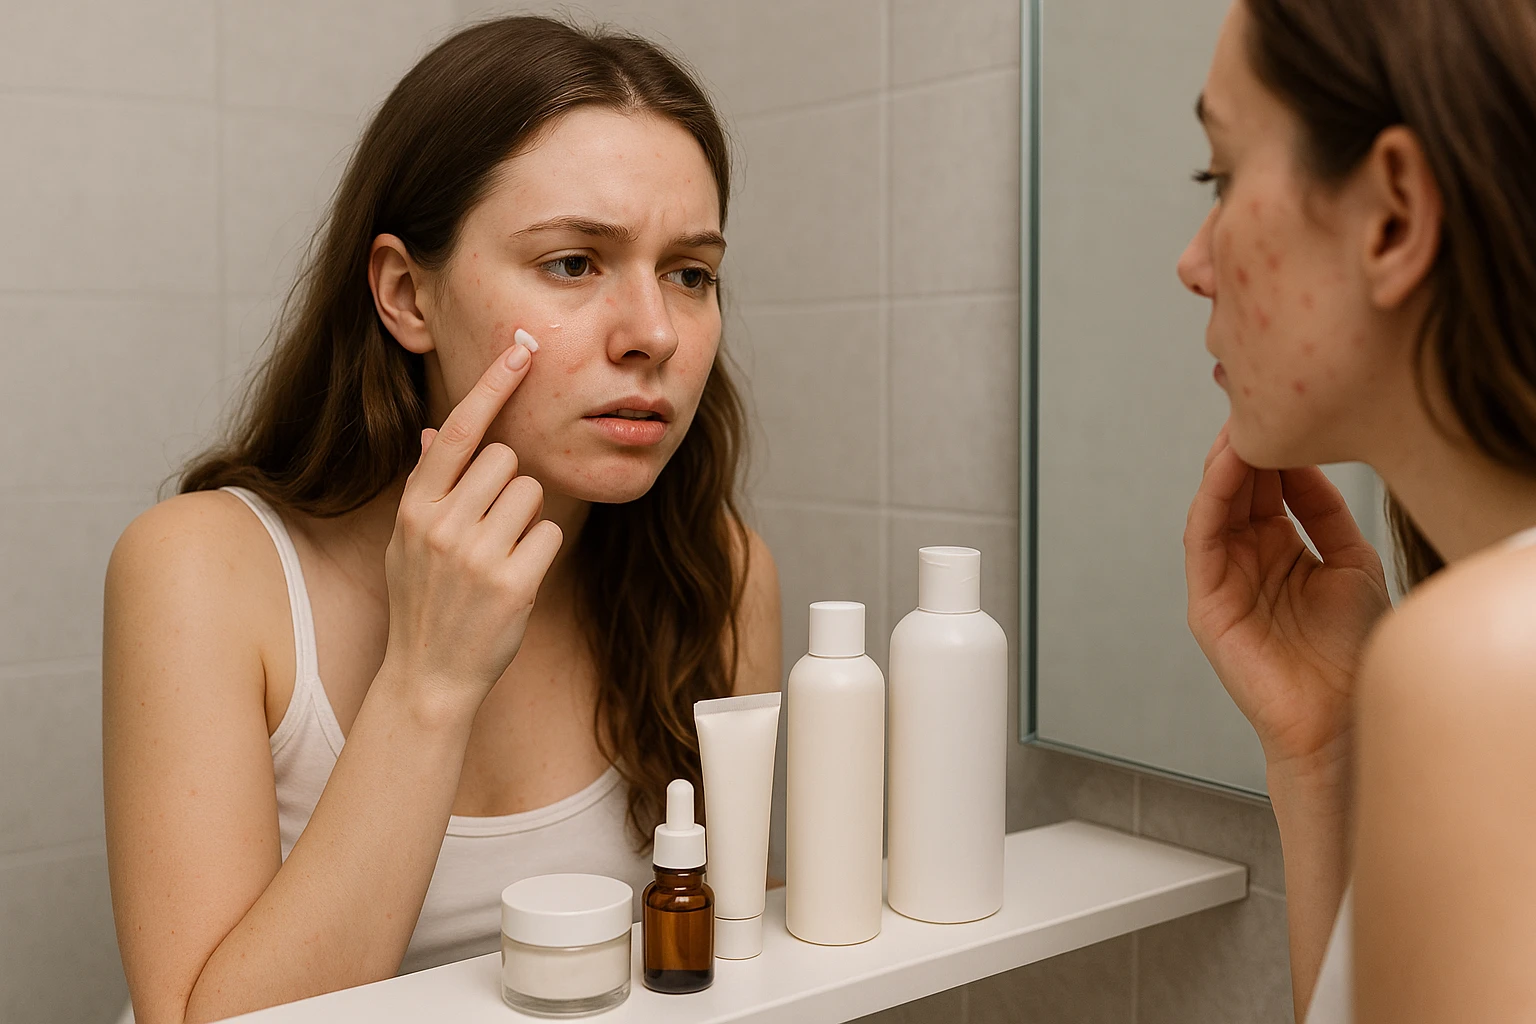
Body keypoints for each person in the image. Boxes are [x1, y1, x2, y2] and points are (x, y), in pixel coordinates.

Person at [101, 16, 780, 1024]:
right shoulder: (203, 571)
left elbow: (736, 975)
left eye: (690, 272)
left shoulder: (713, 572)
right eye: (573, 263)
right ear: (406, 293)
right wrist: (428, 680)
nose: (654, 334)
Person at [1179, 0, 1536, 1020]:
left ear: (1393, 215)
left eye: (1222, 177)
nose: (1192, 261)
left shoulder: (1493, 657)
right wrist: (1323, 750)